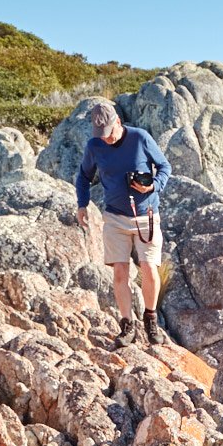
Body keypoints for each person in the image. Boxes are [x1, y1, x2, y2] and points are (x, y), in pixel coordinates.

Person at [75, 99, 172, 345]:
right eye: (102, 135)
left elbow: (164, 167)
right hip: (115, 217)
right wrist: (82, 204)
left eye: (109, 132)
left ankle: (150, 319)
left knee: (149, 268)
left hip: (146, 216)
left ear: (118, 121)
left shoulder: (140, 138)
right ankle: (127, 325)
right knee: (120, 272)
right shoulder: (95, 145)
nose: (106, 139)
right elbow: (84, 176)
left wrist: (153, 186)